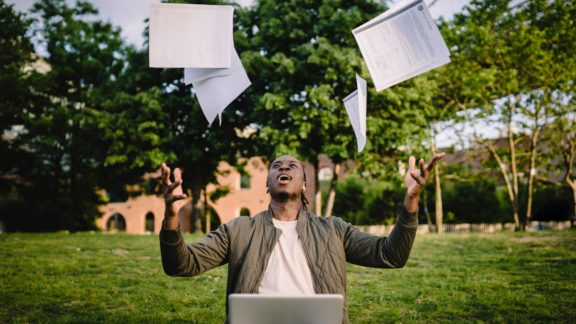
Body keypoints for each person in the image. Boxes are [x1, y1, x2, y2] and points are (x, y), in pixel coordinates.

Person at [159, 153, 444, 324]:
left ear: (305, 184)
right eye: (277, 166)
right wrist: (171, 214)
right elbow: (181, 265)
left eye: (292, 166)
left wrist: (411, 199)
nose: (284, 168)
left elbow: (391, 255)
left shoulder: (334, 228)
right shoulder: (238, 229)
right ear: (267, 184)